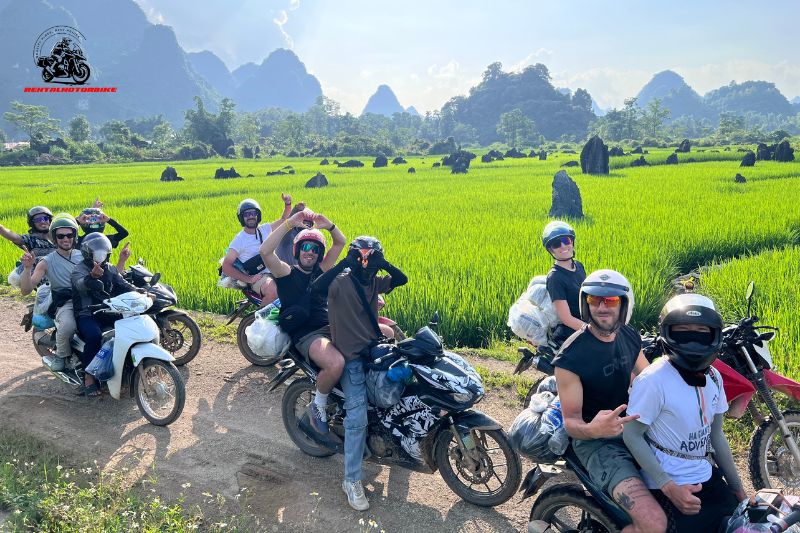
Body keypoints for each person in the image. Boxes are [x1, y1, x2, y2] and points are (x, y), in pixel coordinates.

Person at [553, 269, 667, 533]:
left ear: (624, 304)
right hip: (598, 444)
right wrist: (594, 430)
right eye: (595, 299)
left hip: (635, 427)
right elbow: (571, 422)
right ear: (585, 303)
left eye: (611, 300)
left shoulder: (629, 336)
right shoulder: (570, 357)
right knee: (654, 524)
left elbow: (649, 377)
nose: (603, 307)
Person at [624, 294, 745, 532]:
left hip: (704, 473)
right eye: (683, 329)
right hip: (666, 484)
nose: (692, 336)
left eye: (701, 330)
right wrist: (668, 487)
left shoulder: (713, 377)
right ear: (667, 333)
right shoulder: (653, 380)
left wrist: (737, 486)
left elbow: (716, 435)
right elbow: (632, 435)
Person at [312, 236, 408, 511]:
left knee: (402, 385)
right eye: (362, 257)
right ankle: (351, 480)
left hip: (375, 350)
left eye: (370, 258)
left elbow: (402, 279)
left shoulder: (374, 282)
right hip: (352, 359)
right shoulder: (339, 282)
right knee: (357, 416)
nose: (365, 262)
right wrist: (344, 262)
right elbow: (317, 288)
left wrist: (384, 264)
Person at [259, 208, 347, 438]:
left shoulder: (322, 271)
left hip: (332, 327)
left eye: (315, 249)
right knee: (335, 364)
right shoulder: (285, 273)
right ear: (297, 251)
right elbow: (265, 251)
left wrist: (328, 225)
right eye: (305, 247)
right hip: (307, 336)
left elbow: (340, 242)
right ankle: (317, 408)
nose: (310, 252)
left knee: (383, 334)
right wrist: (289, 223)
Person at [71, 233, 143, 396]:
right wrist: (91, 277)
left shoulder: (110, 268)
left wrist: (140, 291)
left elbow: (122, 283)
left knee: (131, 326)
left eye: (103, 252)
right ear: (88, 253)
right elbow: (80, 285)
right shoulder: (79, 269)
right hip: (87, 312)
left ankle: (126, 367)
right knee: (95, 336)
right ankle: (89, 376)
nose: (100, 256)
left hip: (107, 309)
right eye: (97, 252)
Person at [19, 214, 83, 371]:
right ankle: (61, 355)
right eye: (61, 236)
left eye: (69, 235)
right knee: (68, 325)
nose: (65, 239)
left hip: (86, 299)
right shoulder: (46, 262)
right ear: (55, 238)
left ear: (75, 236)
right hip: (65, 302)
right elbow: (26, 290)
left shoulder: (82, 255)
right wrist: (27, 268)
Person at [221, 195, 292, 302]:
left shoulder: (265, 229)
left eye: (253, 213)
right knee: (272, 291)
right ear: (241, 218)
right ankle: (260, 318)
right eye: (247, 214)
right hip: (259, 277)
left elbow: (283, 220)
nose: (250, 216)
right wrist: (248, 279)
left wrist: (288, 204)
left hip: (274, 270)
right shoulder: (239, 240)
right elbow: (226, 266)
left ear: (258, 215)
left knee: (296, 284)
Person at [542, 221, 587, 345]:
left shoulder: (578, 266)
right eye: (556, 244)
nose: (563, 246)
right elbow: (566, 318)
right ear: (551, 250)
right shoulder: (555, 278)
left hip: (590, 319)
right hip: (574, 328)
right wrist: (591, 330)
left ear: (572, 242)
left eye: (566, 240)